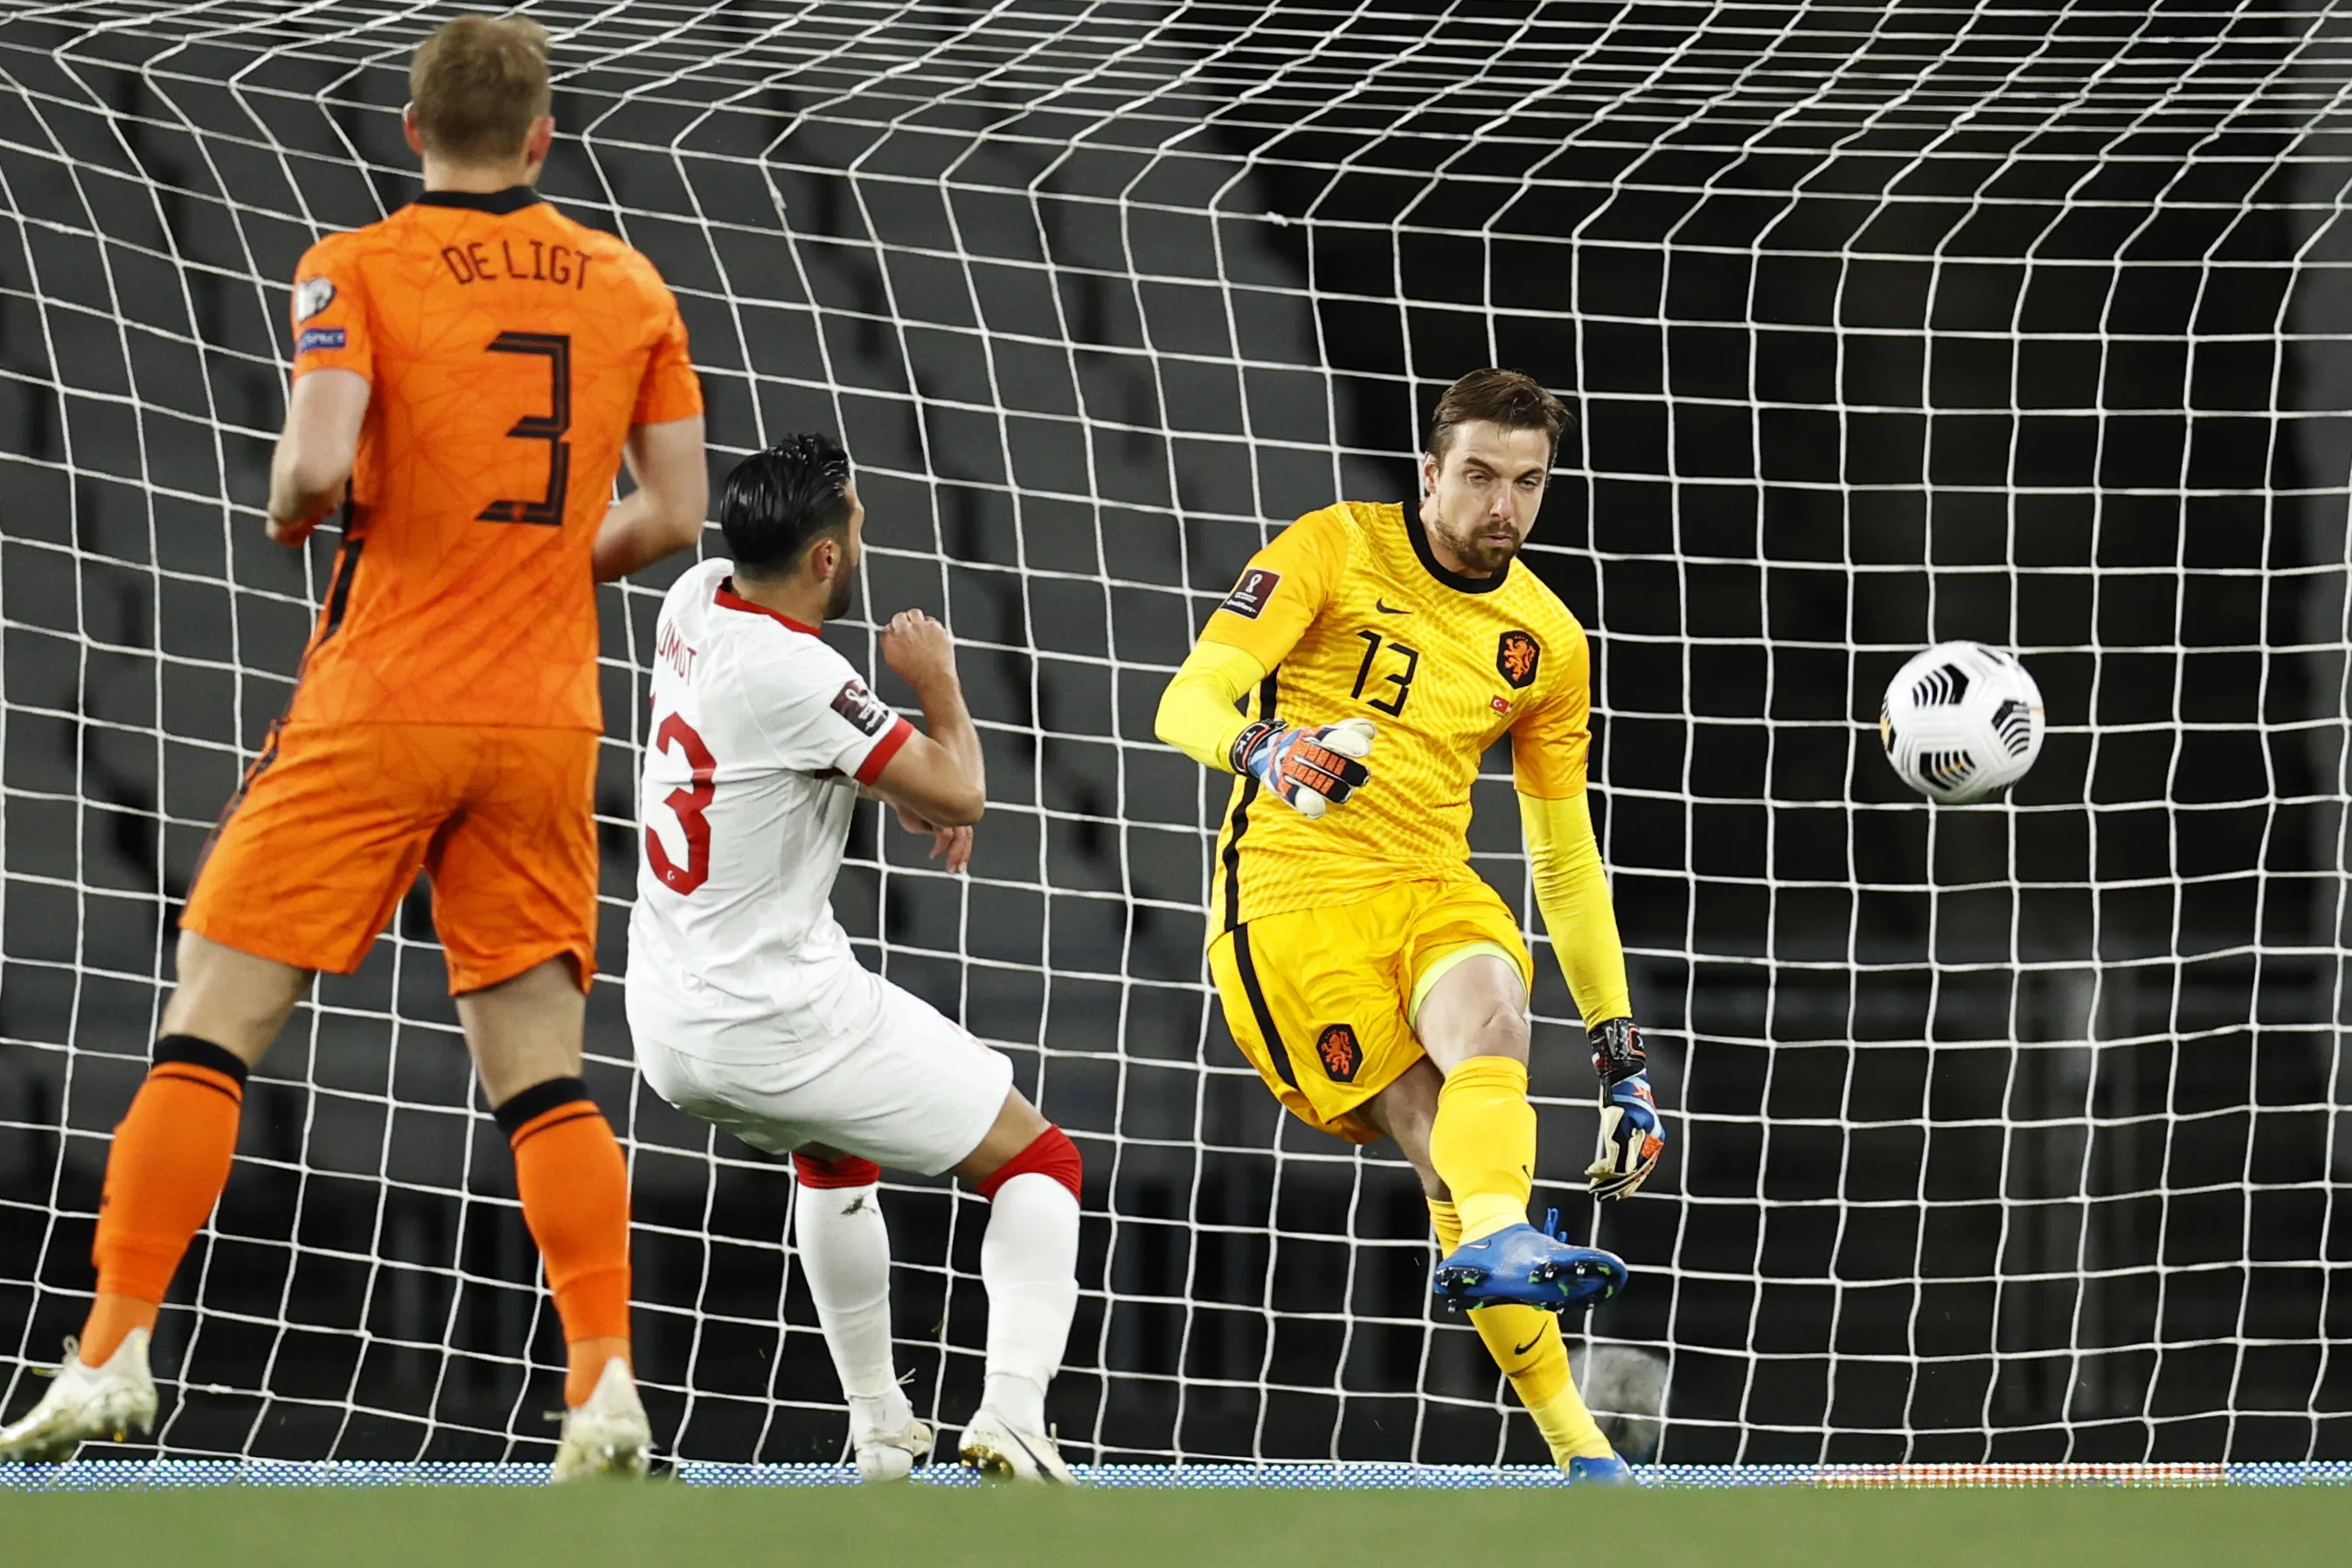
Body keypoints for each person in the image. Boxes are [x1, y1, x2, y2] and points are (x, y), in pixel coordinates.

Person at [0, 13, 708, 1480]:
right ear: (541, 135)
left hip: (382, 700)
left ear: (408, 130)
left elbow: (318, 463)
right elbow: (680, 513)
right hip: (540, 719)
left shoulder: (356, 262)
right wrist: (540, 574)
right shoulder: (632, 281)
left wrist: (285, 509)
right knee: (544, 1076)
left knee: (212, 1020)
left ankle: (111, 1346)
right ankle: (604, 1384)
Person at [1151, 368, 1666, 1482]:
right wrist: (1265, 749)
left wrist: (1621, 1055)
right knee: (1447, 1157)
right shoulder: (1331, 548)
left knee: (1496, 1019)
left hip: (1434, 882)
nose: (1503, 507)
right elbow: (1185, 699)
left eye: (1527, 483)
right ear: (1430, 472)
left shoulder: (1547, 640)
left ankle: (1509, 1249)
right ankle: (1580, 1442)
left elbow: (1563, 861)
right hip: (1290, 900)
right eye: (1479, 475)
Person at [626, 435, 1084, 1483]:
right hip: (771, 1011)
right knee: (1037, 1159)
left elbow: (773, 761)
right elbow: (963, 789)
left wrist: (892, 780)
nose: (864, 534)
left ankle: (883, 1431)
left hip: (666, 1013)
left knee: (832, 1152)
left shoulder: (694, 599)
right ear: (827, 558)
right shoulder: (802, 669)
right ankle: (1012, 1411)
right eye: (859, 523)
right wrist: (939, 689)